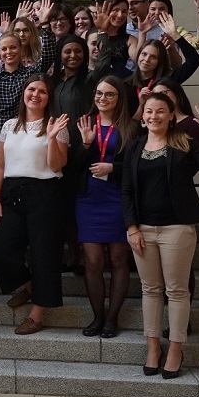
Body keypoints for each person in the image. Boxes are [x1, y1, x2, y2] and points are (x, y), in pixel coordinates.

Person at [122, 95, 199, 378]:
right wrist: (131, 228)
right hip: (142, 230)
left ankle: (176, 349)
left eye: (160, 111)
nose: (153, 116)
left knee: (177, 291)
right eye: (149, 111)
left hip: (177, 229)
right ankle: (153, 348)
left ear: (170, 115)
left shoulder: (183, 142)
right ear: (143, 115)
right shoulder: (134, 147)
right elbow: (126, 190)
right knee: (150, 289)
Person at [0, 75, 71, 336]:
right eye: (31, 89)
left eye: (42, 91)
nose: (36, 95)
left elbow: (56, 166)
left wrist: (52, 137)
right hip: (12, 193)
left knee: (44, 255)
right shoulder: (9, 125)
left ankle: (36, 315)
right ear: (23, 92)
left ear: (49, 97)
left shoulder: (57, 125)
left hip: (45, 193)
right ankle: (30, 287)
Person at [72, 76, 137, 338]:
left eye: (109, 94)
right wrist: (86, 144)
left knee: (119, 259)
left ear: (119, 98)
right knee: (93, 261)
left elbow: (136, 167)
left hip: (117, 199)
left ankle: (112, 319)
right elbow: (72, 166)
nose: (102, 98)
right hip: (88, 199)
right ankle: (97, 316)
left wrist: (113, 167)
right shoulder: (84, 123)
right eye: (99, 93)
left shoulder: (131, 127)